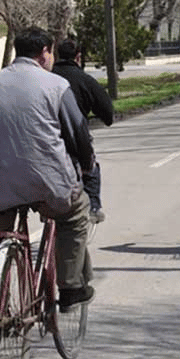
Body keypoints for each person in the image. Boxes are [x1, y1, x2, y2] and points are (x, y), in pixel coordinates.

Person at [0, 26, 95, 348]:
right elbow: (78, 132)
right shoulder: (56, 85)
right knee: (76, 213)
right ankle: (70, 286)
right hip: (45, 182)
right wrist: (87, 164)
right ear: (45, 53)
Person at [51, 36, 115, 224]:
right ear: (78, 57)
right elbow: (108, 114)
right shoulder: (85, 80)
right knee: (90, 169)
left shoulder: (46, 78)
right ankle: (93, 207)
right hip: (74, 142)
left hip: (44, 140)